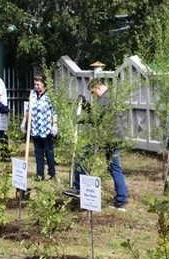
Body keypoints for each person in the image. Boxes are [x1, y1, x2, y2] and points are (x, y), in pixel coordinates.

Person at [63, 78, 128, 211]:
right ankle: (121, 200)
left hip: (107, 137)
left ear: (98, 87)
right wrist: (86, 105)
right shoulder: (110, 97)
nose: (93, 95)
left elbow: (95, 118)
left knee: (81, 155)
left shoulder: (105, 99)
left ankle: (78, 187)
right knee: (114, 168)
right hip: (114, 137)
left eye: (93, 92)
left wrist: (79, 119)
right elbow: (97, 114)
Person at [21, 74, 58, 181]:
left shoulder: (49, 96)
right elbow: (28, 110)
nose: (36, 86)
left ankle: (51, 173)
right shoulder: (32, 95)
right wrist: (24, 122)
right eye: (35, 84)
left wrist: (54, 125)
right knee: (38, 153)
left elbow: (54, 112)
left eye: (38, 84)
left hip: (46, 129)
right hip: (35, 128)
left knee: (48, 152)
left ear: (44, 84)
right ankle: (40, 173)